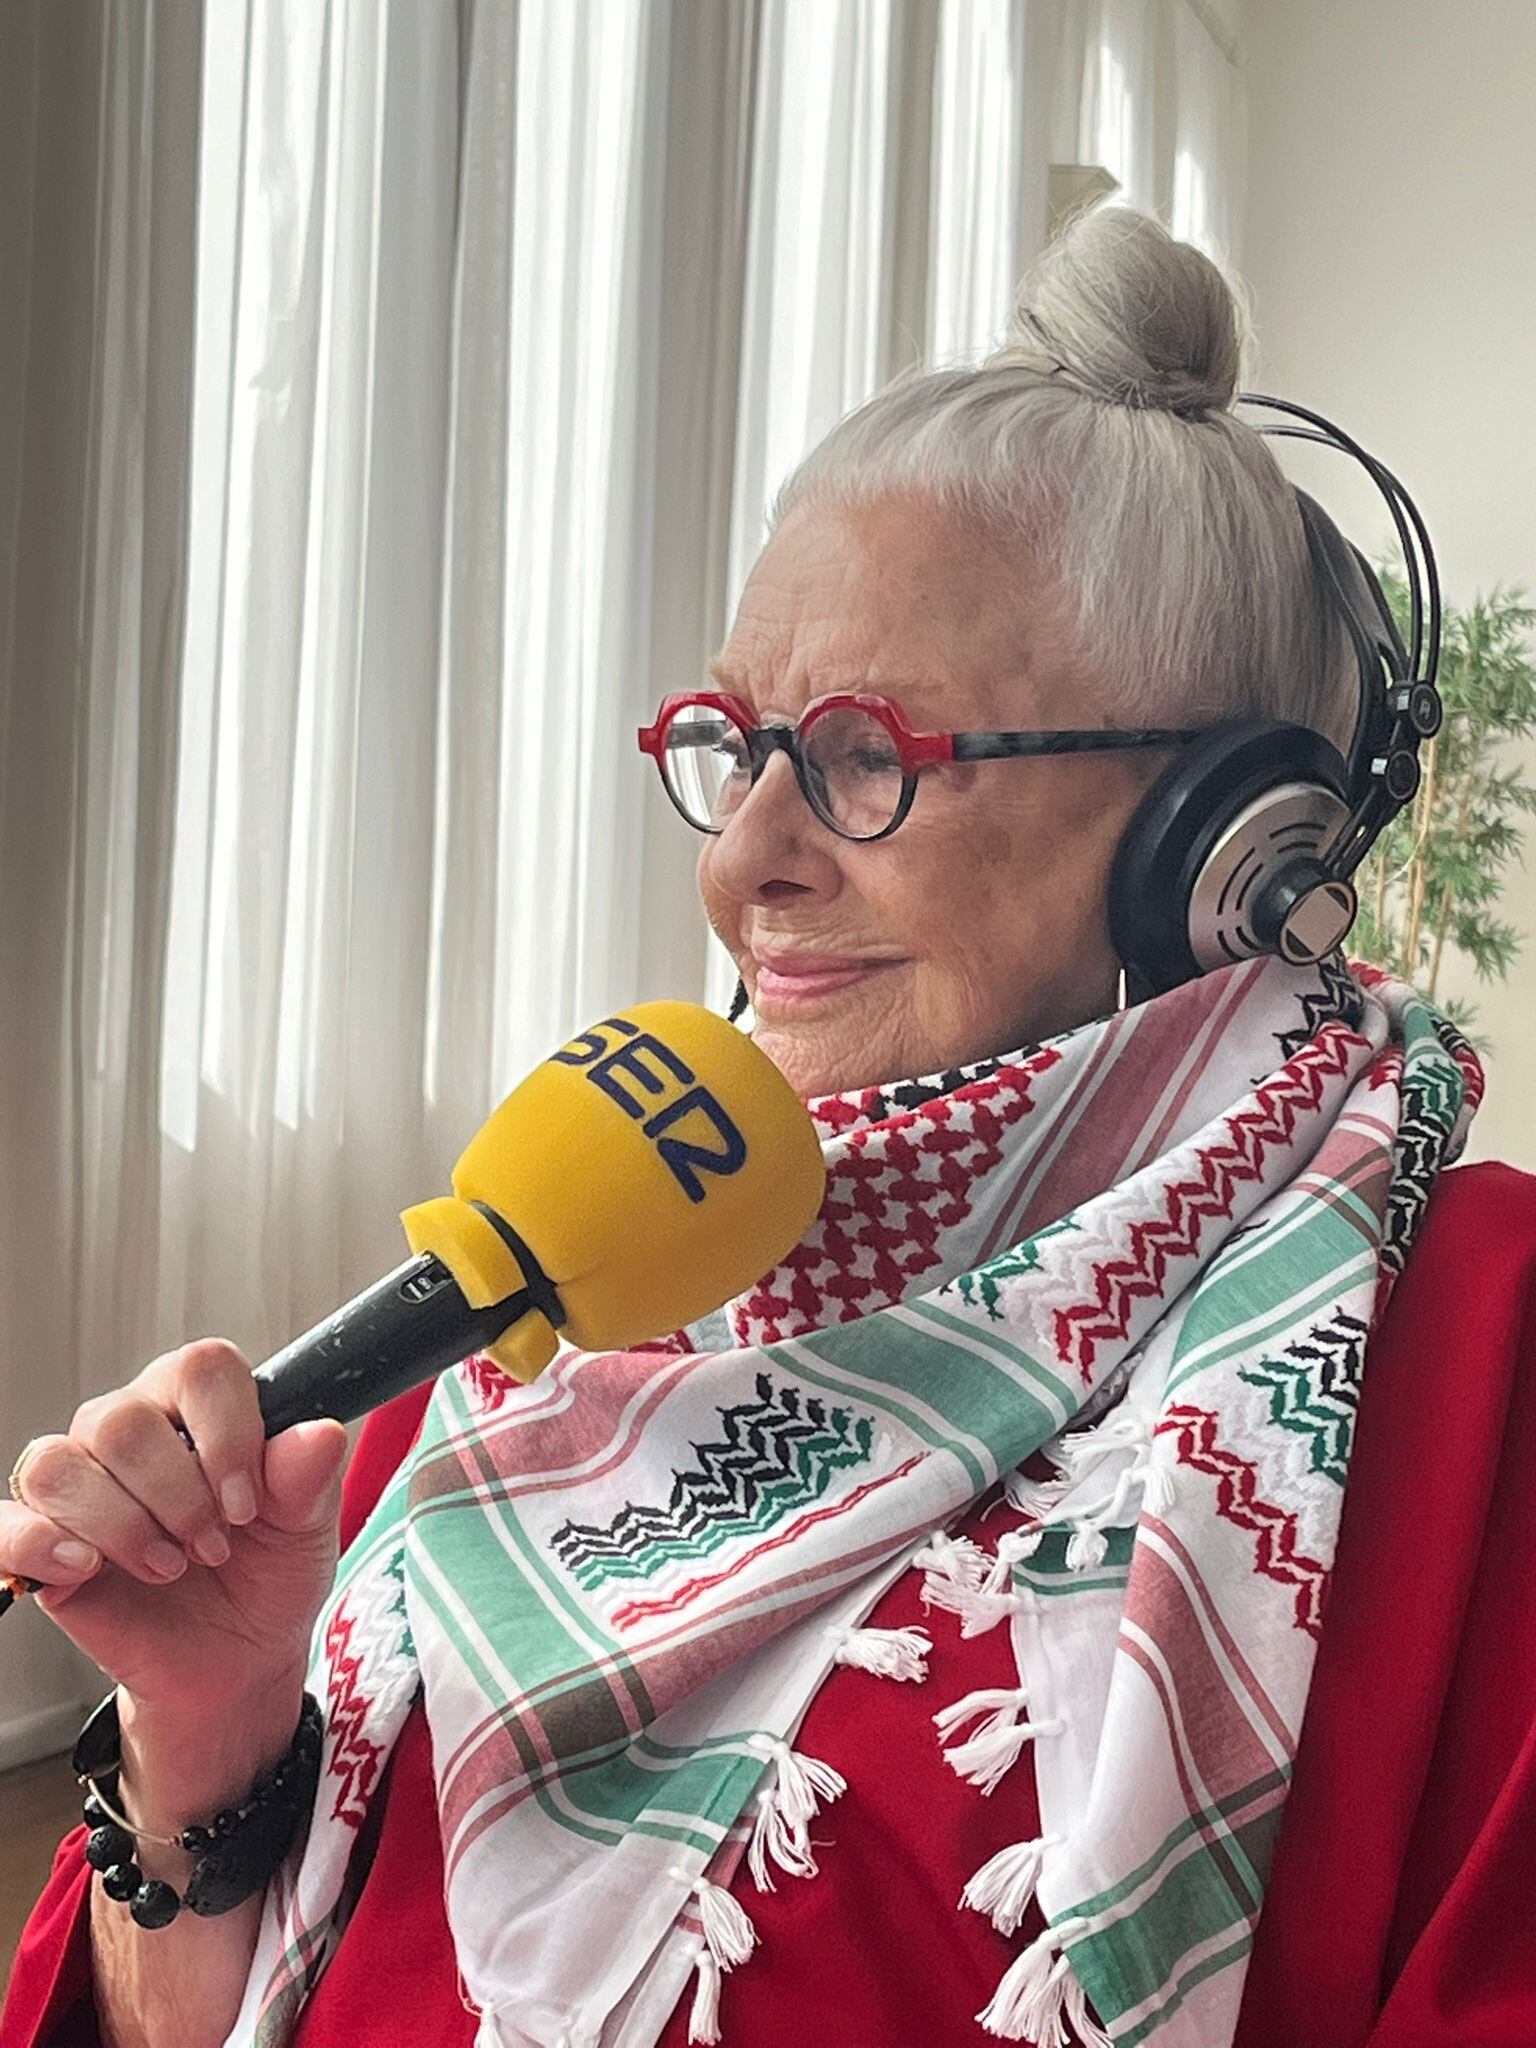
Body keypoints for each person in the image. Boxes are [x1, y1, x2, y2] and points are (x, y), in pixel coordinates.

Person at [5, 208, 1536, 2048]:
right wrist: (208, 1739)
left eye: (870, 753)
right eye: (738, 743)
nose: (742, 862)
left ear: (1221, 843)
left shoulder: (1469, 1357)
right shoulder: (588, 1263)